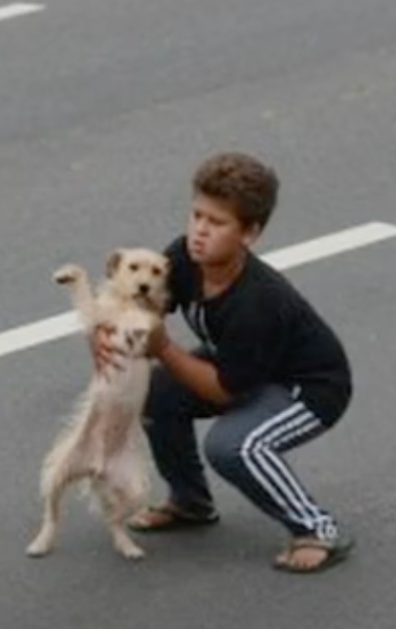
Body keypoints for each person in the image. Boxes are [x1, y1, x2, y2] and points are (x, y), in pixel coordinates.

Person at [93, 152, 354, 573]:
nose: (199, 231)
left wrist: (162, 348)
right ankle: (190, 503)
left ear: (249, 233)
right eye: (197, 215)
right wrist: (110, 336)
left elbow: (223, 391)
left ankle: (317, 528)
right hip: (247, 369)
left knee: (234, 446)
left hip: (308, 390)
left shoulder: (256, 302)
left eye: (216, 224)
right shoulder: (183, 257)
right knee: (152, 391)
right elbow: (141, 307)